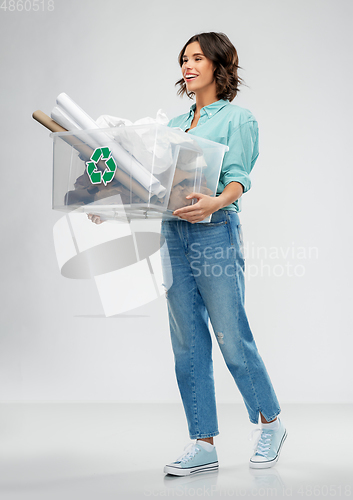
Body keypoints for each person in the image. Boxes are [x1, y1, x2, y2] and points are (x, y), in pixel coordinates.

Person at [88, 31, 287, 477]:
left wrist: (217, 201)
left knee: (230, 335)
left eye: (197, 58)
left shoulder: (238, 119)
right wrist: (112, 207)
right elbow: (153, 188)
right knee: (187, 343)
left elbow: (238, 177)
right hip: (172, 234)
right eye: (183, 59)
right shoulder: (174, 125)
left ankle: (270, 423)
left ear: (220, 64)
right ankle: (203, 442)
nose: (188, 66)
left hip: (215, 231)